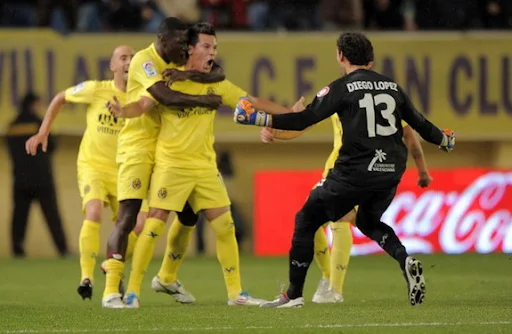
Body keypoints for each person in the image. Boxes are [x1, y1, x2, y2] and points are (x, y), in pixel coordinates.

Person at [234, 32, 455, 307]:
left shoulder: (340, 88)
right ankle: (404, 258)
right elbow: (421, 125)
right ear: (371, 60)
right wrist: (445, 140)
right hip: (389, 172)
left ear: (341, 56)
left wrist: (258, 118)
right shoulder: (394, 88)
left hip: (353, 172)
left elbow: (304, 119)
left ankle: (294, 294)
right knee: (367, 222)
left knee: (306, 219)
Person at [108, 22, 303, 308]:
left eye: (215, 47)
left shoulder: (215, 81)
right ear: (190, 48)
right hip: (171, 163)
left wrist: (290, 113)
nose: (213, 52)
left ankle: (236, 294)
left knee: (225, 226)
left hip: (204, 166)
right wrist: (122, 110)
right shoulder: (168, 79)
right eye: (207, 47)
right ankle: (134, 292)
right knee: (154, 225)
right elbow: (143, 104)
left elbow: (251, 101)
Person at [101, 17, 227, 308]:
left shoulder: (176, 60)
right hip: (137, 146)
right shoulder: (145, 60)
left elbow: (217, 70)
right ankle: (111, 290)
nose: (185, 49)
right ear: (163, 39)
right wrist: (205, 101)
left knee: (189, 213)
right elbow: (163, 96)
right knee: (129, 215)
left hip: (166, 149)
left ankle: (167, 277)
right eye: (181, 42)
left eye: (187, 43)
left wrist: (191, 76)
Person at [259, 115, 432, 303]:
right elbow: (410, 135)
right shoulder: (389, 99)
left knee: (332, 218)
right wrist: (422, 170)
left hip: (347, 167)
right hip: (374, 169)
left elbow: (305, 121)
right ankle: (398, 259)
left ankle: (334, 288)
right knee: (354, 222)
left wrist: (273, 128)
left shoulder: (343, 93)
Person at [25, 46, 147, 301]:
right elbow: (60, 97)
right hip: (94, 166)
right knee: (93, 211)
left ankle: (110, 264)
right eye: (123, 58)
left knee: (139, 224)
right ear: (113, 66)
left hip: (125, 169)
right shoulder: (96, 89)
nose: (129, 62)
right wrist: (43, 130)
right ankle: (86, 276)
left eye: (132, 58)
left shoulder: (141, 98)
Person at [6, 92, 69, 258]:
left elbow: (10, 149)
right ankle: (62, 249)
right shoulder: (39, 124)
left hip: (20, 179)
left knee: (19, 217)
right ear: (33, 104)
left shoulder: (12, 126)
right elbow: (52, 146)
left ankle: (17, 250)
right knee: (52, 216)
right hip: (42, 179)